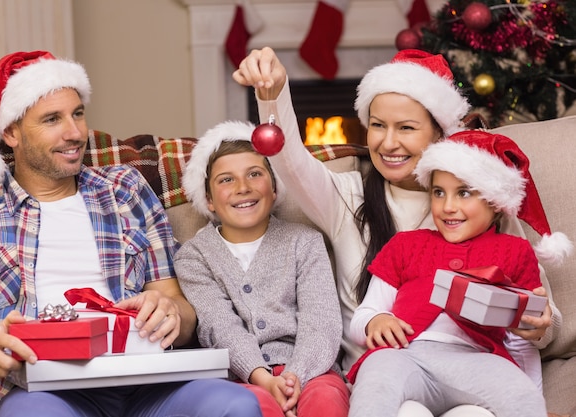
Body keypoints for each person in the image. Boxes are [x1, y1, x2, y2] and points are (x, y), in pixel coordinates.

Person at [233, 47, 562, 417]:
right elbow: (290, 162)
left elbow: (539, 314)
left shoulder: (485, 206)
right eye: (377, 125)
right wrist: (271, 93)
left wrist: (538, 327)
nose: (388, 143)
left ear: (440, 134)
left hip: (475, 378)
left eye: (406, 127)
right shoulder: (347, 197)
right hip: (385, 383)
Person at [0, 51, 263, 417]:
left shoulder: (126, 190)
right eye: (52, 119)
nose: (75, 133)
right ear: (11, 133)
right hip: (44, 392)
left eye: (78, 113)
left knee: (235, 405)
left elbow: (176, 304)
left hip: (149, 384)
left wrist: (171, 314)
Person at [346, 130, 572, 417]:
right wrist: (374, 321)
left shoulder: (514, 251)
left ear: (494, 201)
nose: (448, 207)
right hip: (407, 356)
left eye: (464, 192)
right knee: (377, 375)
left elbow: (522, 342)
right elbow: (365, 314)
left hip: (477, 361)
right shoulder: (407, 244)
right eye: (438, 192)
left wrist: (532, 397)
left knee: (516, 392)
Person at [173, 120, 350, 417]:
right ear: (208, 200)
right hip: (243, 377)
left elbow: (321, 322)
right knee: (257, 408)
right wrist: (263, 378)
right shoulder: (193, 256)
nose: (243, 188)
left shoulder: (305, 242)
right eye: (226, 180)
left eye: (254, 174)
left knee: (326, 403)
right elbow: (220, 327)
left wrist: (294, 377)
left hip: (312, 370)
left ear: (274, 188)